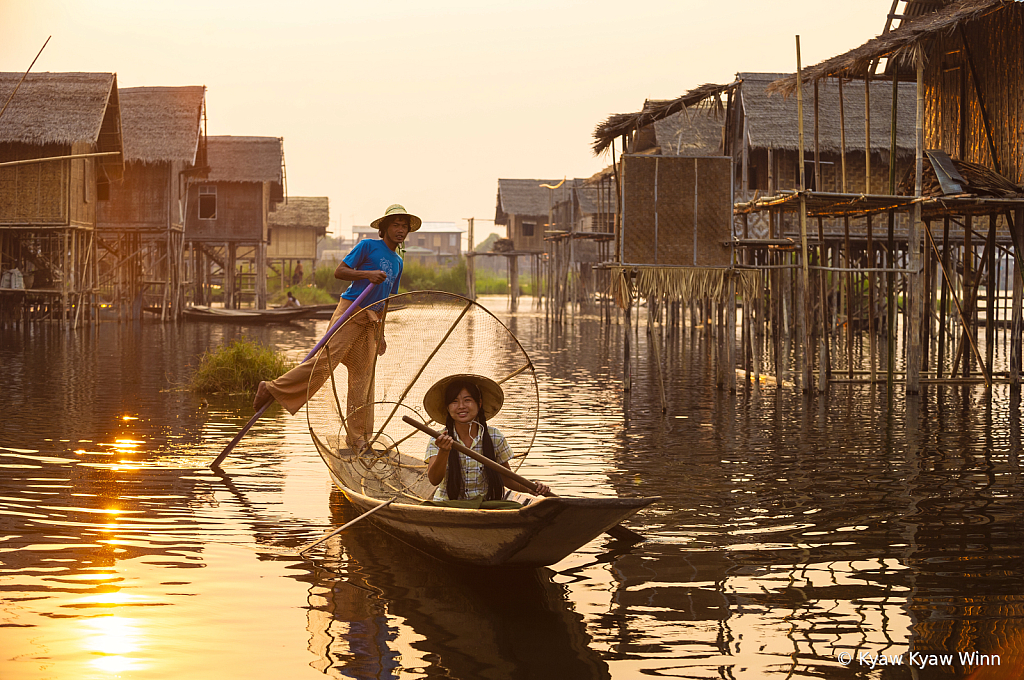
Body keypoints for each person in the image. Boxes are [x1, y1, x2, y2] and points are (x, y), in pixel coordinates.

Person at [253, 204, 420, 444]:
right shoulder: (368, 247)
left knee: (363, 379)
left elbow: (386, 300)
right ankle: (271, 388)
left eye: (404, 226)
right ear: (384, 228)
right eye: (396, 225)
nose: (400, 230)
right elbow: (339, 271)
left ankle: (358, 437)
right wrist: (367, 274)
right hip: (351, 312)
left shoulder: (398, 261)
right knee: (324, 363)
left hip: (371, 321)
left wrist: (381, 334)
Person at [424, 374, 550, 503]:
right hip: (447, 504)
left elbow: (507, 479)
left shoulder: (494, 437)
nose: (461, 406)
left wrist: (532, 488)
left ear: (479, 403)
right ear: (447, 407)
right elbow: (434, 480)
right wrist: (444, 452)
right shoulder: (439, 439)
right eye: (454, 401)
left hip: (485, 505)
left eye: (467, 400)